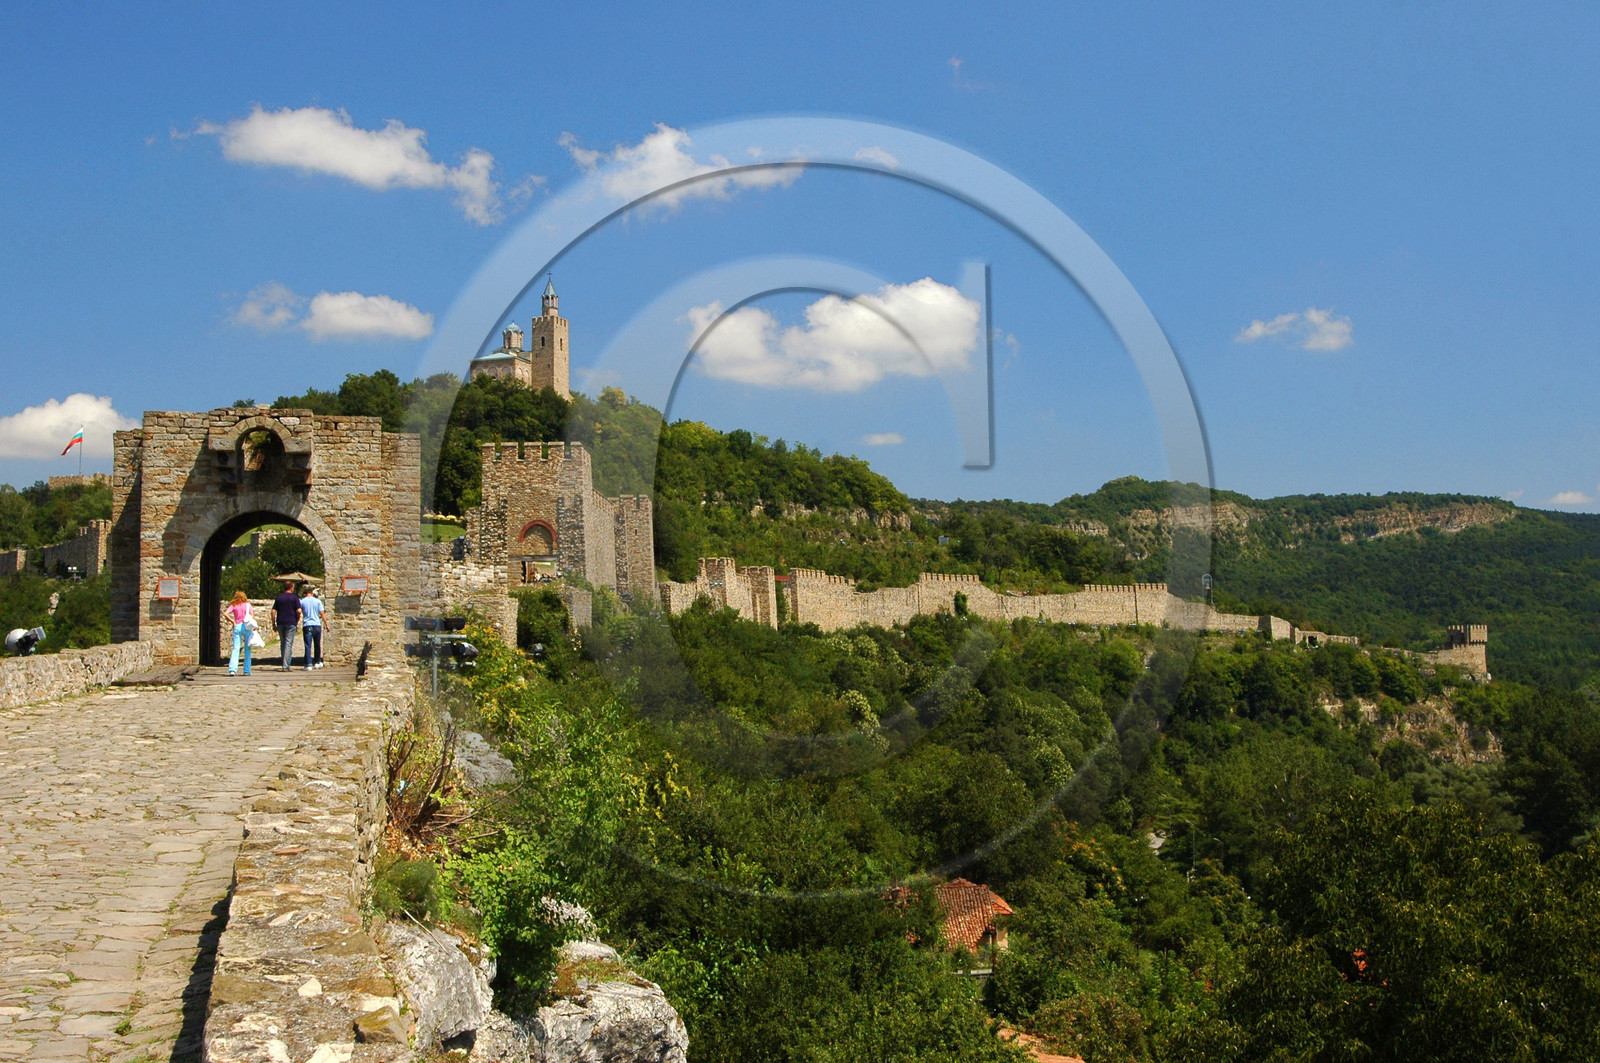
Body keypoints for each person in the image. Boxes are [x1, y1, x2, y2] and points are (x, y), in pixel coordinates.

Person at [272, 580, 301, 671]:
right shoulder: (294, 597)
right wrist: (297, 620)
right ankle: (286, 665)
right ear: (292, 587)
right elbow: (299, 611)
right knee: (288, 643)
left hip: (280, 622)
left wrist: (274, 623)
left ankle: (284, 662)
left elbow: (273, 611)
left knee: (283, 642)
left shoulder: (279, 597)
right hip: (291, 622)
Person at [225, 591, 253, 676]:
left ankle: (232, 669)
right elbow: (252, 616)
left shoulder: (234, 605)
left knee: (236, 648)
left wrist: (232, 621)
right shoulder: (248, 605)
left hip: (237, 626)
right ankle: (247, 670)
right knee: (248, 649)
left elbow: (225, 613)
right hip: (247, 626)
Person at [300, 586, 326, 669]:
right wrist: (327, 624)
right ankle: (317, 661)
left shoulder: (302, 602)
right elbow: (322, 613)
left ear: (305, 594)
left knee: (308, 645)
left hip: (307, 624)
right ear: (312, 593)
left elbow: (299, 611)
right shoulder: (317, 601)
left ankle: (308, 664)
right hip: (316, 624)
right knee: (317, 644)